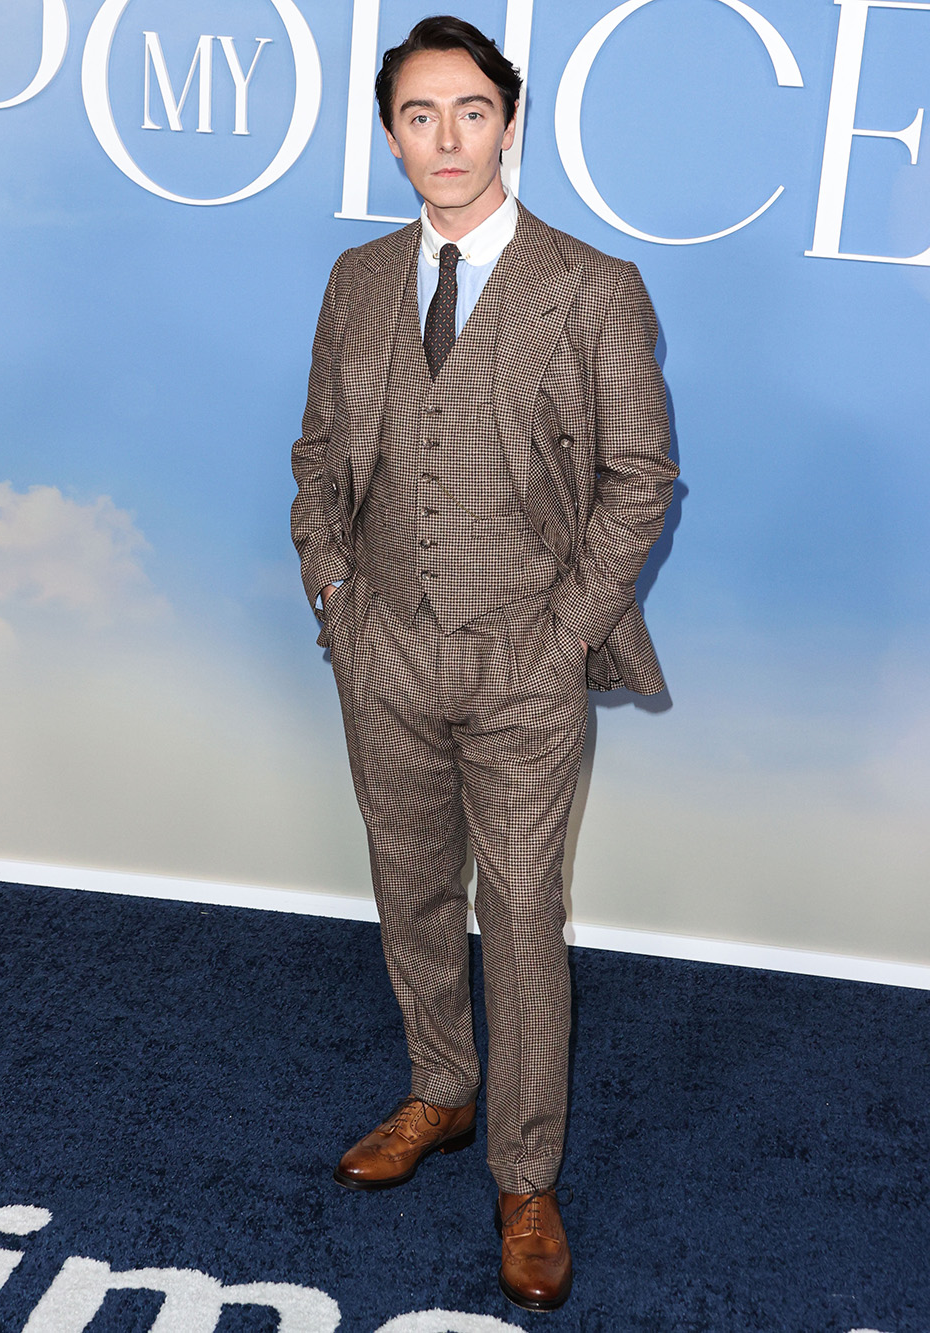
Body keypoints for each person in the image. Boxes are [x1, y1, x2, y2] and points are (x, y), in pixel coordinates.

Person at [290, 15, 677, 1312]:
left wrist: (564, 632)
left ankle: (525, 1174)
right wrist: (336, 594)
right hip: (382, 652)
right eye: (417, 115)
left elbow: (639, 482)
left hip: (525, 666)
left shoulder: (594, 287)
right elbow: (320, 453)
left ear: (509, 123)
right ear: (392, 135)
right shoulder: (354, 281)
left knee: (519, 920)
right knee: (410, 895)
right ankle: (440, 1092)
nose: (444, 139)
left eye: (468, 111)